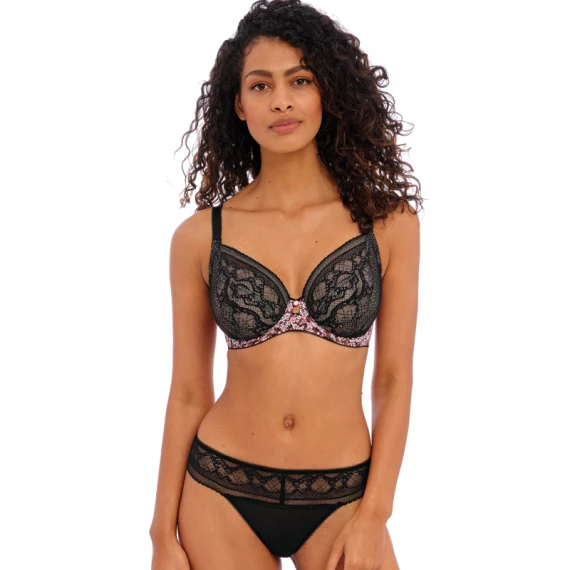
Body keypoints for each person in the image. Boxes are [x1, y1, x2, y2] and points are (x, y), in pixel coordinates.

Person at [150, 1, 422, 568]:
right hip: (220, 489)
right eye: (261, 85)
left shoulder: (388, 223)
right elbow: (188, 392)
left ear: (328, 91)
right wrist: (160, 536)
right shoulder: (200, 237)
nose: (281, 100)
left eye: (300, 80)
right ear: (239, 105)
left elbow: (393, 380)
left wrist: (375, 515)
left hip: (342, 495)